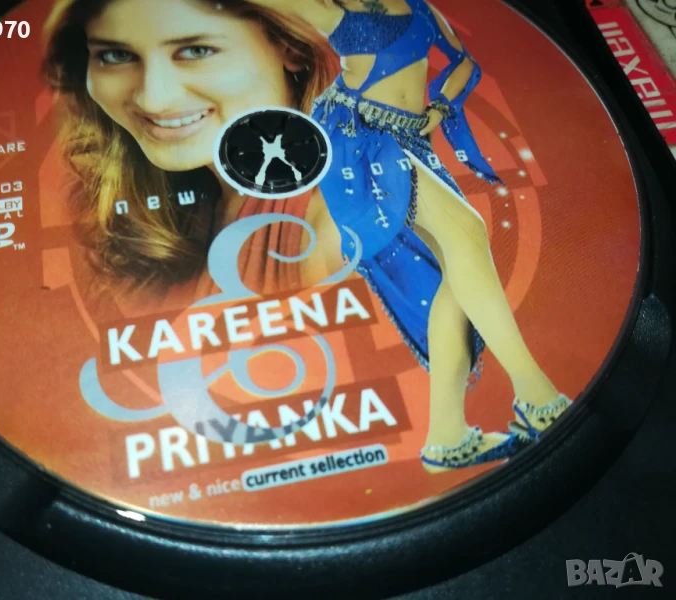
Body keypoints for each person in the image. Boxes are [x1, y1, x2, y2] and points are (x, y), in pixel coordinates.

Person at [245, 0, 573, 471]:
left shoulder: (420, 7)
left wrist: (438, 109)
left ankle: (447, 439)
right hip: (357, 140)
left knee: (454, 277)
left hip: (409, 141)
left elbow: (462, 63)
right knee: (467, 233)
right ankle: (538, 397)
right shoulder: (336, 11)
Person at [42, 0, 345, 310]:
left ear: (293, 48)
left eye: (197, 51)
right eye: (116, 55)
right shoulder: (177, 207)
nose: (154, 99)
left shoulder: (333, 230)